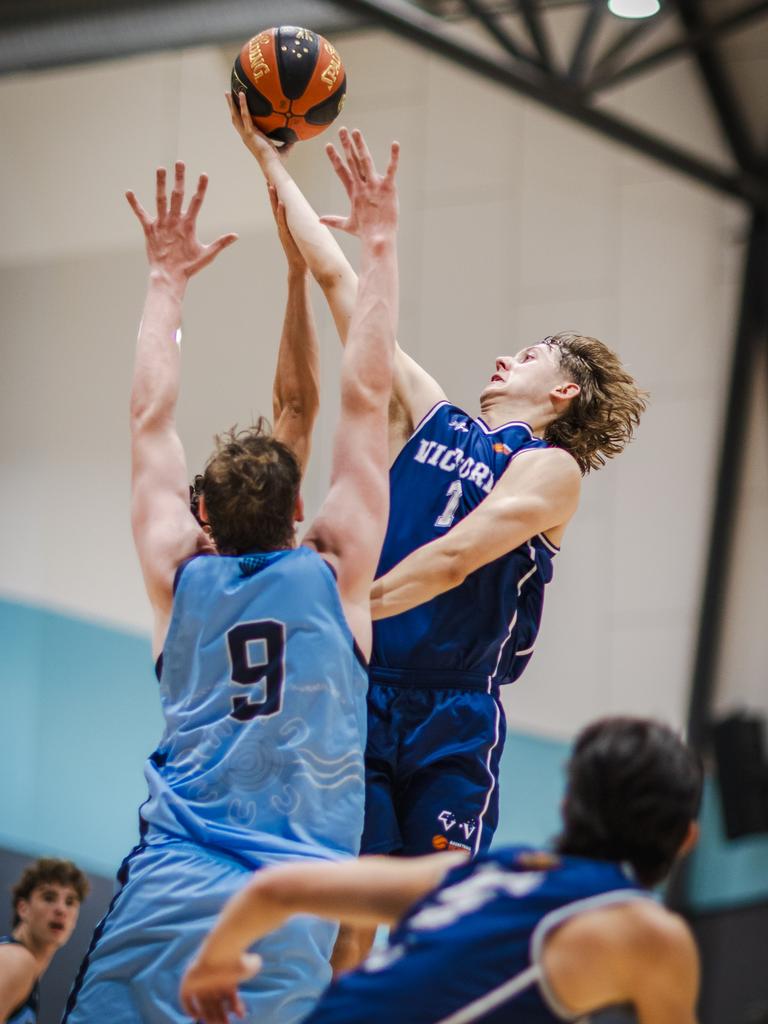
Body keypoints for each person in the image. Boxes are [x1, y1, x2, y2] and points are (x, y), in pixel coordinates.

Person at [226, 93, 649, 966]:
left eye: (527, 356)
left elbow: (458, 559)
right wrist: (270, 164)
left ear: (562, 393)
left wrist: (340, 611)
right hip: (373, 692)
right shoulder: (439, 420)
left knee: (429, 920)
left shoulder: (550, 469)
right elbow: (347, 287)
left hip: (454, 710)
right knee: (352, 914)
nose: (503, 358)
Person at [64, 132, 400, 1024]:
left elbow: (149, 417)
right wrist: (379, 247)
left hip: (172, 886)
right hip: (292, 904)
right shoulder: (335, 568)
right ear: (301, 512)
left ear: (200, 511)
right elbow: (367, 397)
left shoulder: (180, 574)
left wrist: (166, 282)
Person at [181, 716, 702, 1024]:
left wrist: (213, 966)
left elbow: (276, 889)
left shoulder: (479, 874)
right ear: (687, 839)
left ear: (567, 805)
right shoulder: (651, 933)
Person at [0, 858, 88, 1024]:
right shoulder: (16, 959)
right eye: (49, 897)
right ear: (23, 908)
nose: (61, 909)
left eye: (70, 902)